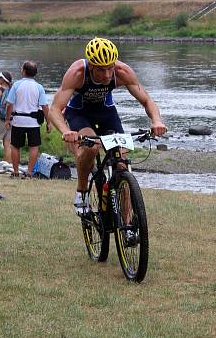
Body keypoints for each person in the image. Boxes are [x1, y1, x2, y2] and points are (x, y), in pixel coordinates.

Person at [48, 37, 167, 214]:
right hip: (79, 113)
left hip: (106, 112)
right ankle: (82, 192)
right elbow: (55, 109)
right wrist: (66, 131)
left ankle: (127, 226)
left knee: (122, 165)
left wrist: (156, 121)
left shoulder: (122, 71)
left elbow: (147, 100)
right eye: (101, 70)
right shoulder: (77, 73)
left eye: (110, 68)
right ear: (91, 66)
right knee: (92, 147)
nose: (107, 75)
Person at [5, 61, 50, 178]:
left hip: (18, 120)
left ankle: (15, 172)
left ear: (24, 71)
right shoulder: (39, 87)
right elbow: (45, 106)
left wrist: (7, 119)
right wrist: (49, 122)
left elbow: (9, 104)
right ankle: (29, 173)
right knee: (34, 147)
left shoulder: (16, 85)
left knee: (15, 146)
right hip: (33, 122)